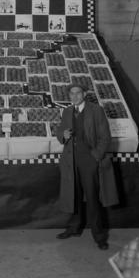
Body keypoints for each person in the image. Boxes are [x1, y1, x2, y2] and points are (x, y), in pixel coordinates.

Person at [56, 83, 118, 250]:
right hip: (71, 160)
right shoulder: (67, 111)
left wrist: (95, 157)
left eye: (78, 93)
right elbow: (59, 131)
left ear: (84, 94)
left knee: (92, 198)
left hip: (89, 160)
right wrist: (63, 135)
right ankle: (74, 228)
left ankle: (99, 236)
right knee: (73, 195)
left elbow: (105, 137)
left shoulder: (96, 110)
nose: (74, 96)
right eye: (71, 94)